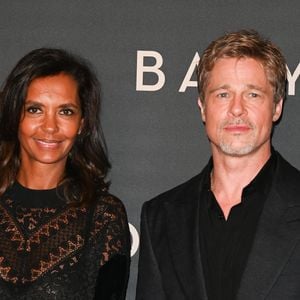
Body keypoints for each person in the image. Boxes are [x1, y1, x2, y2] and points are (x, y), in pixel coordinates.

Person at [136, 30, 300, 300]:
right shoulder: (161, 216)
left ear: (277, 107)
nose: (237, 109)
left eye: (253, 95)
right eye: (223, 94)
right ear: (202, 106)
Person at [0, 48, 130, 299]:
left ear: (81, 124)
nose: (50, 126)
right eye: (35, 109)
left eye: (65, 111)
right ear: (15, 115)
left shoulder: (102, 218)